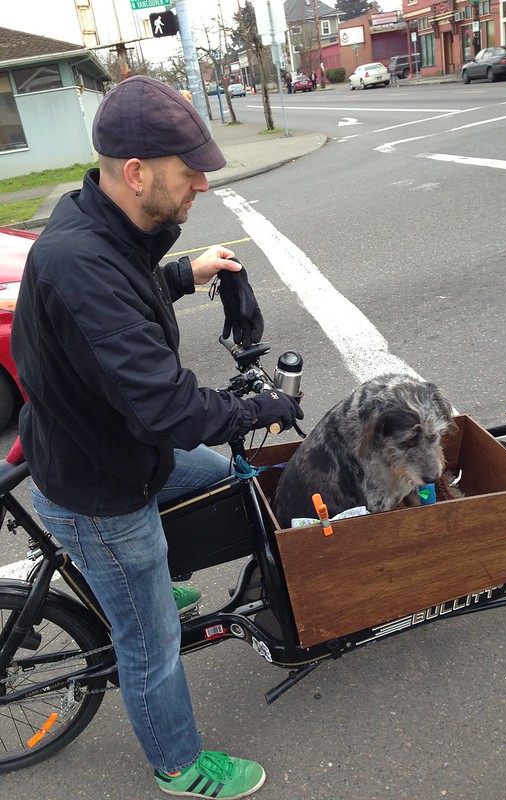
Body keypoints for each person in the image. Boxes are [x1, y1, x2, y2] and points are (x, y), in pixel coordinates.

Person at [11, 76, 302, 799]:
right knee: (149, 646)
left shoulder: (101, 223)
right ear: (136, 172)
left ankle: (149, 588)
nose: (203, 181)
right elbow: (165, 407)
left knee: (220, 475)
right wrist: (254, 408)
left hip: (103, 447)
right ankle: (180, 767)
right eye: (189, 170)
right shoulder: (80, 259)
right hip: (103, 489)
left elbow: (123, 291)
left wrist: (183, 271)